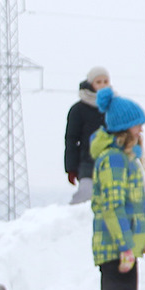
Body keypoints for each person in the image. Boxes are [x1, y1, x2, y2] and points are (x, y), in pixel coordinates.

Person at [88, 86, 145, 290]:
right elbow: (113, 208)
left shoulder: (124, 159)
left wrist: (140, 242)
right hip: (115, 248)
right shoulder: (113, 160)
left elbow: (132, 206)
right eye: (137, 124)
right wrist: (126, 246)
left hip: (123, 248)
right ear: (125, 128)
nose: (141, 129)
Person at [63, 66, 110, 203]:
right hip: (87, 161)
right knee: (85, 194)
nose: (102, 85)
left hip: (111, 160)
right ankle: (72, 220)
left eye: (105, 81)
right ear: (91, 84)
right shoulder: (78, 110)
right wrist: (71, 168)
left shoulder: (114, 107)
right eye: (98, 82)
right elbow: (71, 140)